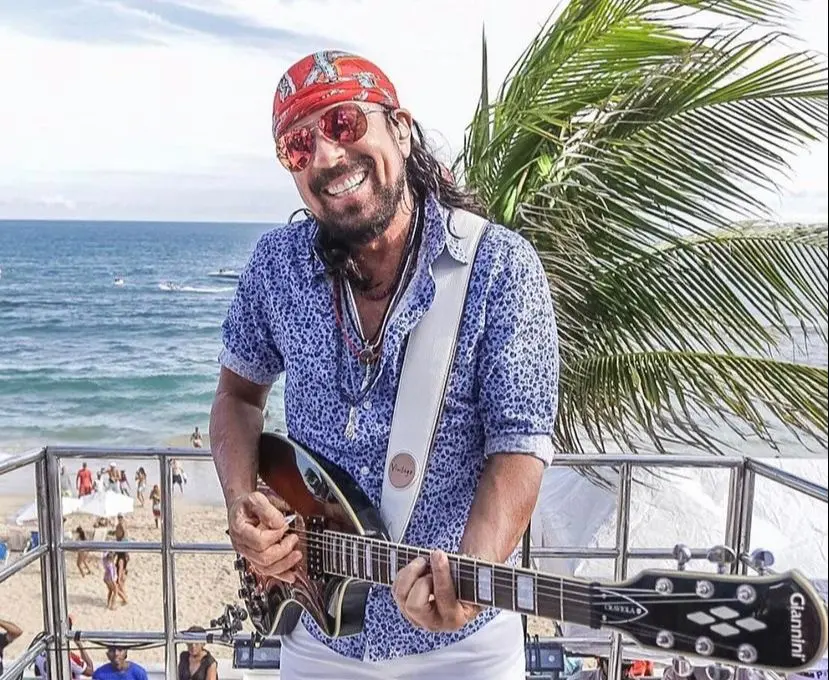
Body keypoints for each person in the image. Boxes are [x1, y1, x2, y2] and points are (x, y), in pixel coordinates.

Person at [210, 51, 558, 679]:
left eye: (342, 123)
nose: (325, 155)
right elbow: (237, 396)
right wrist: (241, 500)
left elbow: (519, 445)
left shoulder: (498, 267)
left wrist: (471, 581)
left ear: (400, 129)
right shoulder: (276, 266)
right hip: (317, 631)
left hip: (462, 649)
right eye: (298, 146)